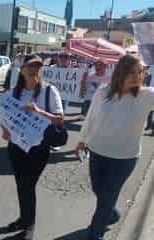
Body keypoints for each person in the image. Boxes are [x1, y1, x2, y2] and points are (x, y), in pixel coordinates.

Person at [76, 55, 154, 240]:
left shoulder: (147, 95)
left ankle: (95, 233)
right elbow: (91, 117)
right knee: (100, 192)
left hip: (124, 158)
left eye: (139, 72)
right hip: (97, 152)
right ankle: (113, 214)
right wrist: (82, 140)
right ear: (120, 73)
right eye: (131, 72)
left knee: (106, 198)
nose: (136, 76)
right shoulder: (103, 91)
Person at [2, 55, 64, 240]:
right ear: (21, 70)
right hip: (16, 146)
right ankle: (23, 218)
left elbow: (60, 119)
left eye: (37, 66)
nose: (34, 70)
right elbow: (5, 113)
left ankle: (29, 224)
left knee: (27, 185)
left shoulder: (49, 91)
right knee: (21, 185)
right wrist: (4, 129)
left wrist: (39, 111)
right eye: (30, 66)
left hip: (38, 148)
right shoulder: (14, 92)